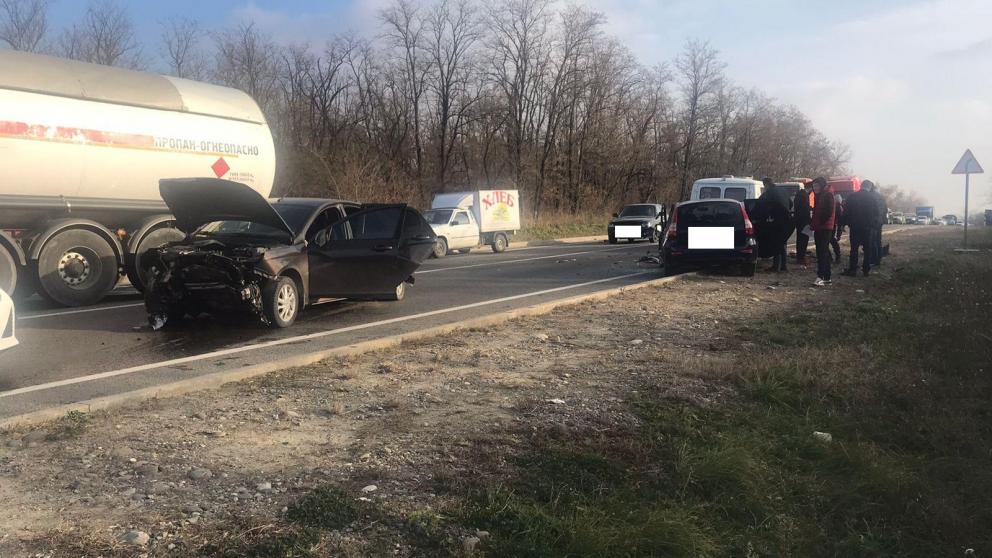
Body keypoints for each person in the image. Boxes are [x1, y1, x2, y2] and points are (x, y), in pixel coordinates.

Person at [840, 181, 875, 277]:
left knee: (854, 249)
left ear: (861, 186)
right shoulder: (872, 198)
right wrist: (873, 225)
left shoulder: (852, 196)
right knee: (867, 249)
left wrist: (843, 224)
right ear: (870, 187)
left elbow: (846, 211)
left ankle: (853, 270)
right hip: (867, 228)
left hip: (855, 227)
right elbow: (876, 213)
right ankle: (866, 270)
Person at [758, 177, 790, 272]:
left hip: (777, 221)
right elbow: (791, 203)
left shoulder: (769, 193)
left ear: (766, 185)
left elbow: (761, 205)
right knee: (783, 243)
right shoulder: (782, 190)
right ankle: (783, 266)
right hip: (787, 220)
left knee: (776, 244)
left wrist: (765, 217)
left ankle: (776, 267)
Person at [809, 177, 835, 286]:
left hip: (824, 228)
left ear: (822, 185)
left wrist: (818, 223)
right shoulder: (819, 196)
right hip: (820, 227)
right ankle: (827, 277)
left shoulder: (827, 195)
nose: (815, 188)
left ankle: (821, 276)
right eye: (814, 186)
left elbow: (828, 212)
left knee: (821, 252)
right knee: (823, 252)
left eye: (817, 186)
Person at [866, 182, 887, 264]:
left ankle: (874, 259)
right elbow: (885, 208)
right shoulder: (880, 196)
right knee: (878, 240)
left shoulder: (870, 196)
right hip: (880, 221)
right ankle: (879, 258)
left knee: (872, 241)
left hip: (874, 221)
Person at [793, 180, 812, 267]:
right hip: (803, 221)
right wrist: (809, 220)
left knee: (800, 239)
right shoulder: (804, 196)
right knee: (803, 240)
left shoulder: (799, 194)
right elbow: (804, 210)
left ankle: (800, 257)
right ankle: (801, 258)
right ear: (810, 188)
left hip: (799, 221)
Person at [830, 192, 845, 263]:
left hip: (830, 226)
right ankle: (837, 256)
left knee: (827, 241)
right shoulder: (840, 208)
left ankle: (831, 257)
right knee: (832, 241)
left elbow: (840, 223)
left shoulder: (836, 207)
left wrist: (839, 234)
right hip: (832, 226)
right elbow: (840, 223)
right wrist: (839, 234)